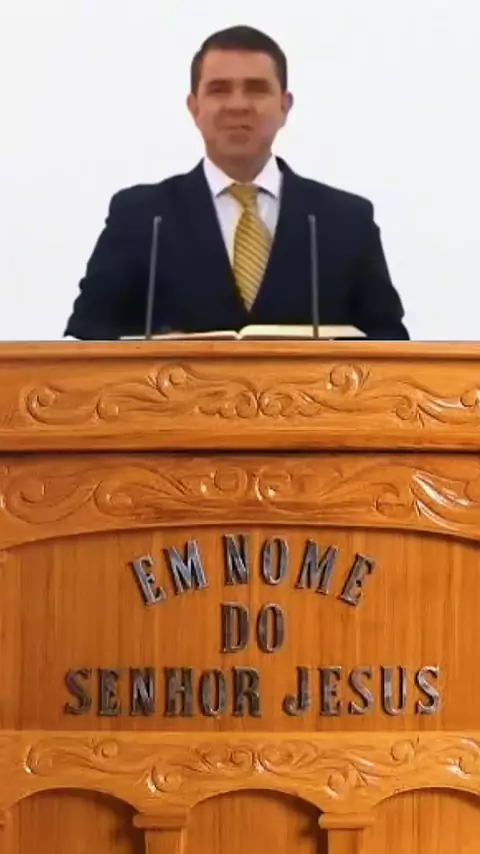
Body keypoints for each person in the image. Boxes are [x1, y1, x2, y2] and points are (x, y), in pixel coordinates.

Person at [65, 25, 409, 341]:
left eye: (256, 89)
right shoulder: (141, 217)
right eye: (219, 90)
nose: (238, 105)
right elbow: (85, 340)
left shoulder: (346, 221)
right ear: (194, 107)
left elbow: (390, 345)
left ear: (285, 105)